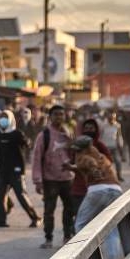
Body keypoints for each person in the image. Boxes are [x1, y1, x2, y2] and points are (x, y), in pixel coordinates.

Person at [67, 135, 123, 259]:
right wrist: (72, 167)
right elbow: (84, 166)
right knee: (112, 227)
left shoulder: (85, 157)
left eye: (77, 150)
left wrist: (93, 172)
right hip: (115, 190)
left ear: (84, 149)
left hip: (97, 190)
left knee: (80, 224)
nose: (75, 153)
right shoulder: (101, 156)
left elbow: (89, 165)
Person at [31, 105, 75, 249]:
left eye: (61, 114)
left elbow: (75, 155)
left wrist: (71, 142)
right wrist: (37, 180)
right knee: (49, 210)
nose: (59, 117)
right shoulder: (44, 135)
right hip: (50, 180)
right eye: (56, 114)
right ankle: (48, 238)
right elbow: (37, 158)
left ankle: (67, 235)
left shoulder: (69, 133)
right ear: (50, 117)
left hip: (68, 179)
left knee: (69, 209)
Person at [99, 111, 125, 182]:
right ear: (107, 118)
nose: (111, 119)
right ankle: (104, 176)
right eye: (110, 118)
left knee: (118, 161)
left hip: (114, 146)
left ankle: (119, 175)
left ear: (115, 118)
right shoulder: (103, 125)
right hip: (105, 146)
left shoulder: (117, 125)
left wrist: (121, 145)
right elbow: (100, 136)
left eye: (112, 118)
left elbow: (119, 136)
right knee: (104, 162)